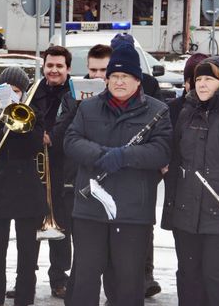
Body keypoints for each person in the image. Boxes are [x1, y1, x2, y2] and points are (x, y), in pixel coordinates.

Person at [63, 43, 172, 306]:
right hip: (91, 208)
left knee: (127, 282)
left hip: (133, 211)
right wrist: (101, 155)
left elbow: (162, 150)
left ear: (137, 80)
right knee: (85, 279)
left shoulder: (157, 111)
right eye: (114, 76)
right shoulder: (88, 108)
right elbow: (71, 140)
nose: (119, 81)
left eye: (126, 77)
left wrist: (124, 156)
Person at [0, 67, 48, 306]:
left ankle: (25, 297)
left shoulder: (32, 114)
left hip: (26, 188)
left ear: (23, 93)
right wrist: (0, 120)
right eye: (6, 90)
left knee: (27, 250)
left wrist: (18, 122)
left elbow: (33, 148)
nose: (11, 95)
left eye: (16, 91)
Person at [168, 57, 219, 306]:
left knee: (217, 277)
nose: (202, 84)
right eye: (198, 79)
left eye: (209, 79)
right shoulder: (186, 113)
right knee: (188, 277)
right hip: (186, 213)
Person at [160, 53, 207, 305]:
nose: (202, 85)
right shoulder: (175, 110)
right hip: (182, 200)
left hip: (212, 204)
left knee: (213, 269)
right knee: (188, 266)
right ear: (187, 82)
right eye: (197, 79)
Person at [30, 45, 73, 299]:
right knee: (30, 227)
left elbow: (74, 120)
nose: (54, 70)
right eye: (50, 65)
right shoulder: (35, 90)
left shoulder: (76, 92)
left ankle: (59, 278)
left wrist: (52, 138)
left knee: (60, 226)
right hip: (35, 164)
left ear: (67, 68)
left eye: (59, 66)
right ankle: (25, 276)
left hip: (63, 166)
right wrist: (38, 137)